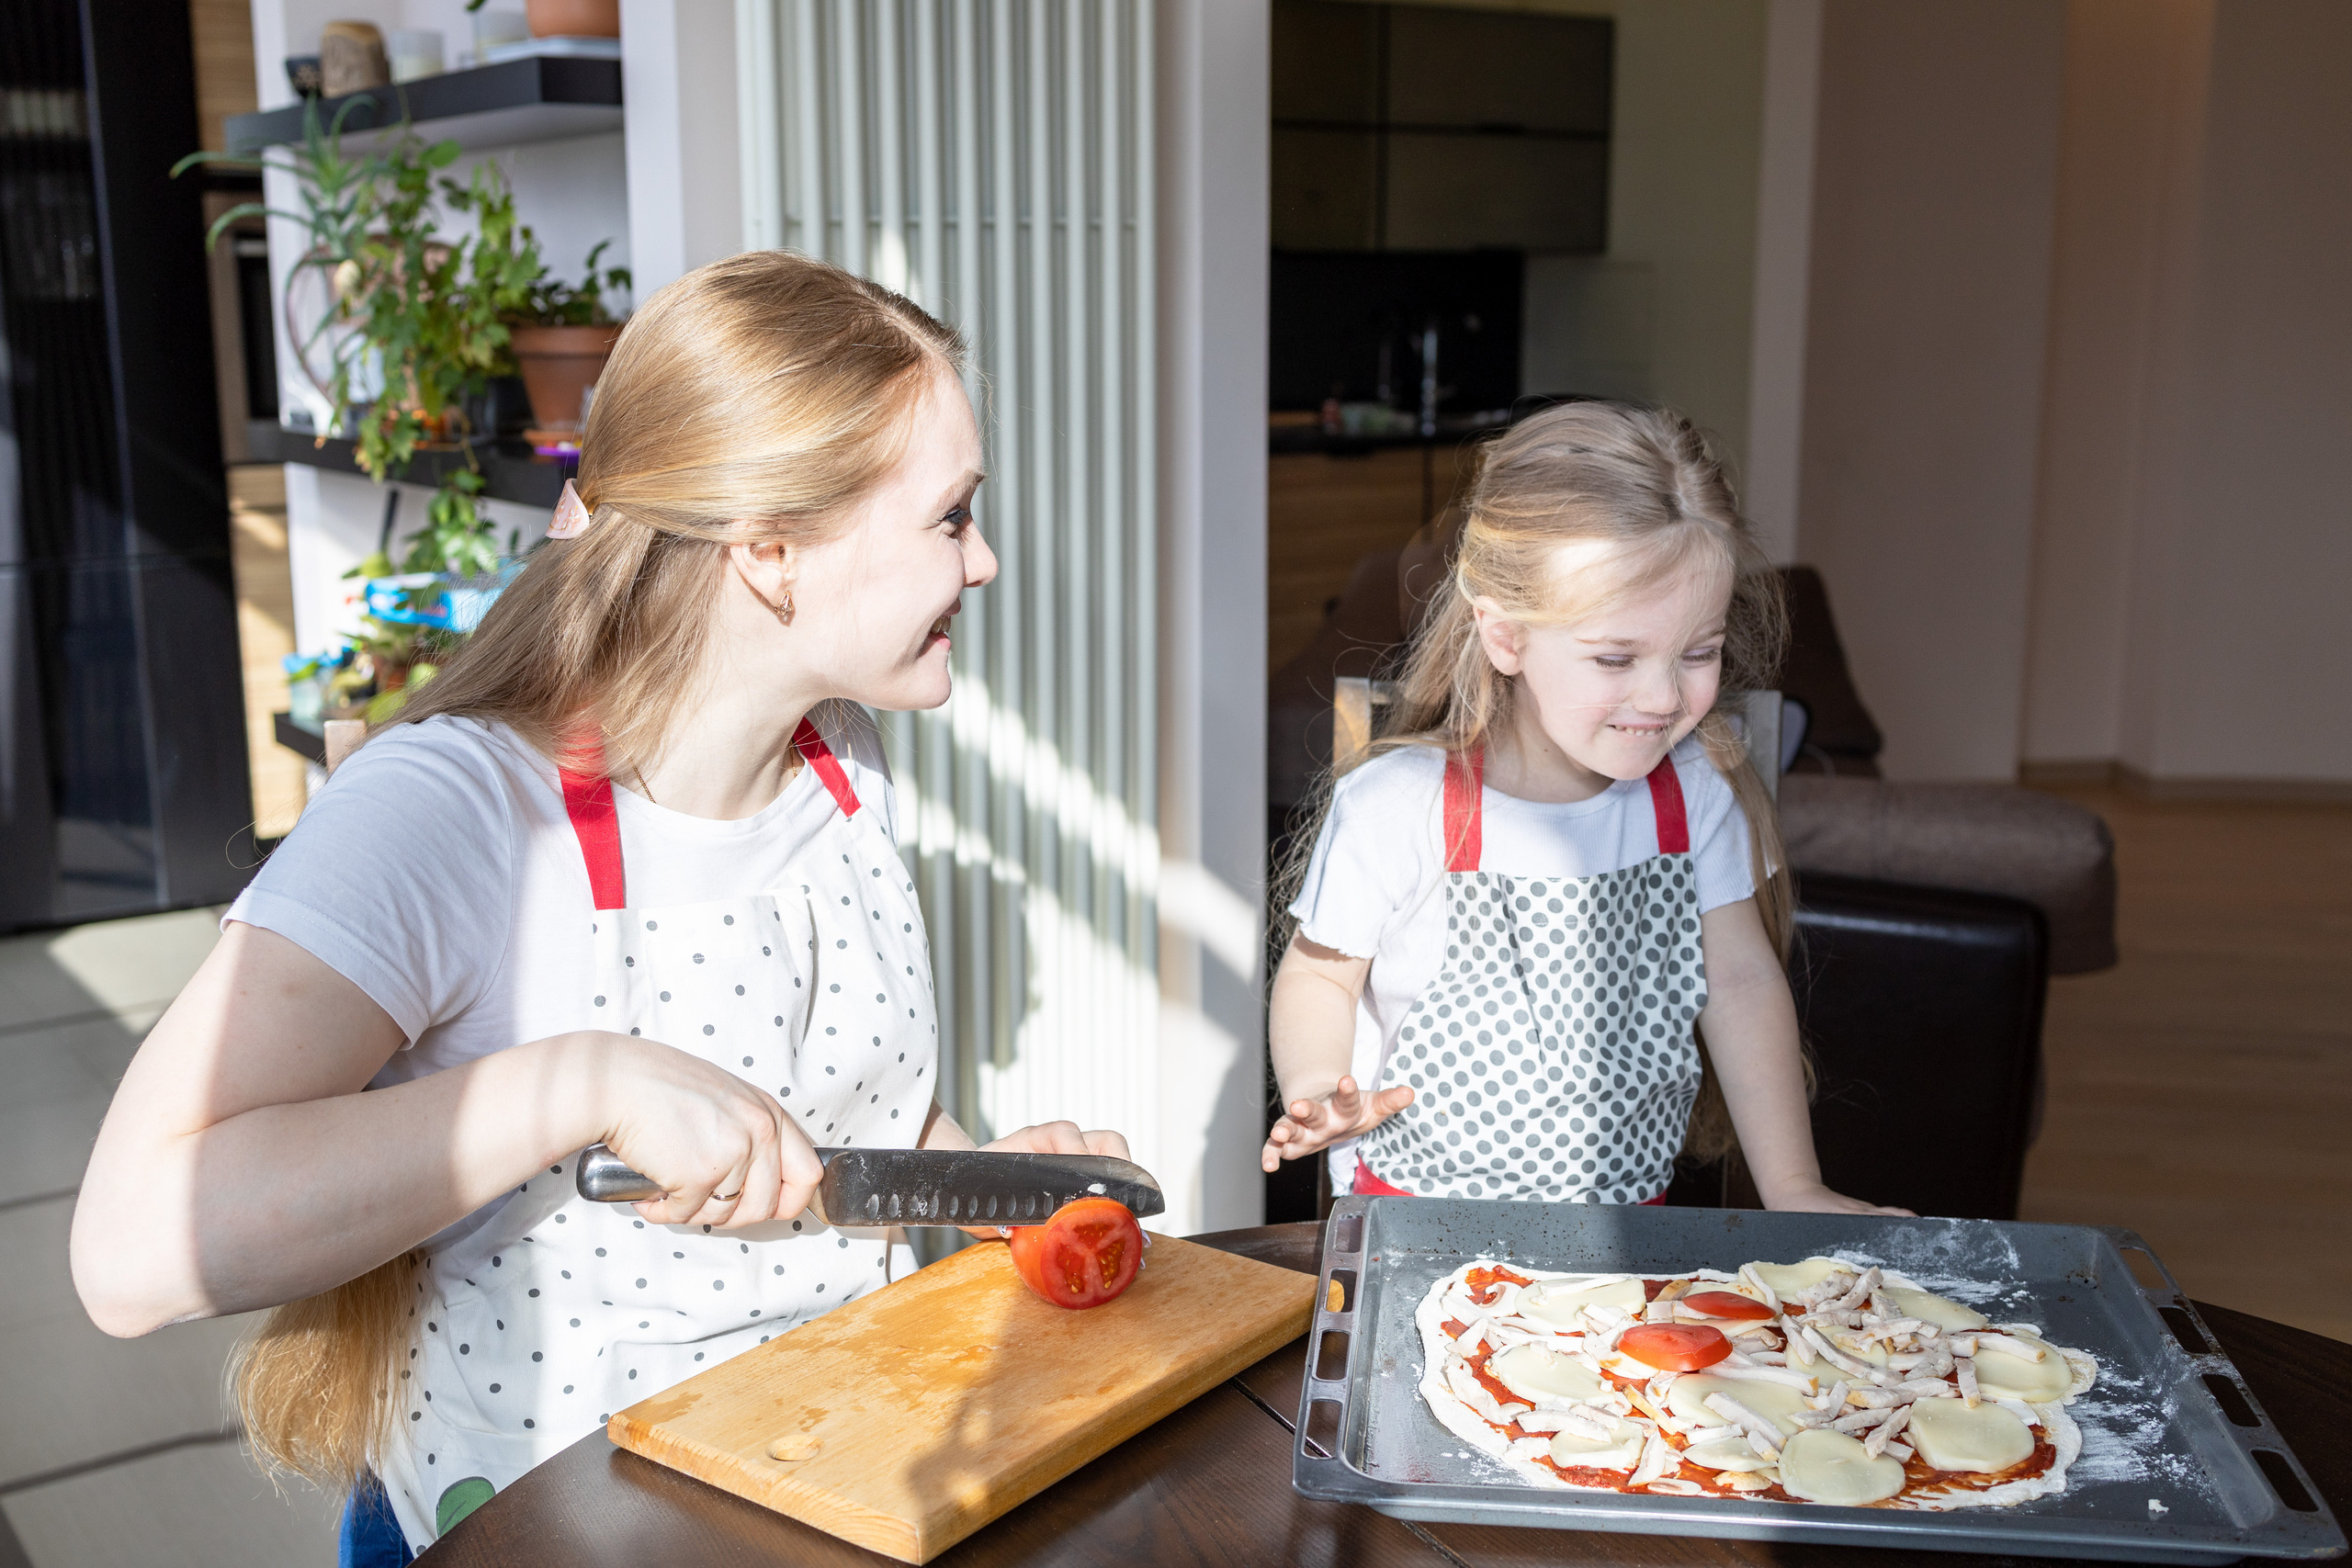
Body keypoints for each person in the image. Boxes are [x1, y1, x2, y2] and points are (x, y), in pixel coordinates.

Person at [70, 253, 1130, 1562]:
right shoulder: (456, 812)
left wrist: (978, 1179)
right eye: (951, 515)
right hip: (546, 1520)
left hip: (822, 1477)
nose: (985, 560)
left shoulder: (840, 762)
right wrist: (583, 1079)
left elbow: (852, 1105)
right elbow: (129, 1251)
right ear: (770, 549)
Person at [1261, 400, 1905, 1217]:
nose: (1665, 695)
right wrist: (1322, 1086)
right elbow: (1321, 972)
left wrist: (1793, 1186)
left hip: (1629, 1235)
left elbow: (1740, 982)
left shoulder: (1695, 791)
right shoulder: (1399, 806)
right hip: (1417, 1219)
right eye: (1615, 656)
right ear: (1505, 635)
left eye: (1698, 652)